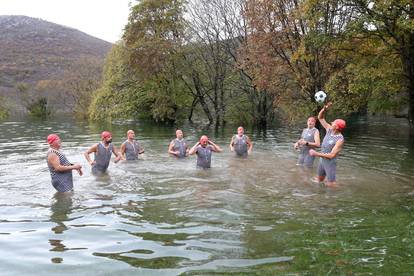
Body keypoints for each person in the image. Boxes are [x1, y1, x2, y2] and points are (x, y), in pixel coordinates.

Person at [309, 102, 346, 187]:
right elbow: (320, 117)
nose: (332, 123)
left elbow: (331, 155)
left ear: (336, 127)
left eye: (334, 123)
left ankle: (337, 196)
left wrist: (316, 153)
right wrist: (324, 109)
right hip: (322, 161)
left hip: (330, 163)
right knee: (319, 180)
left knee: (331, 184)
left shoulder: (340, 139)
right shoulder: (329, 129)